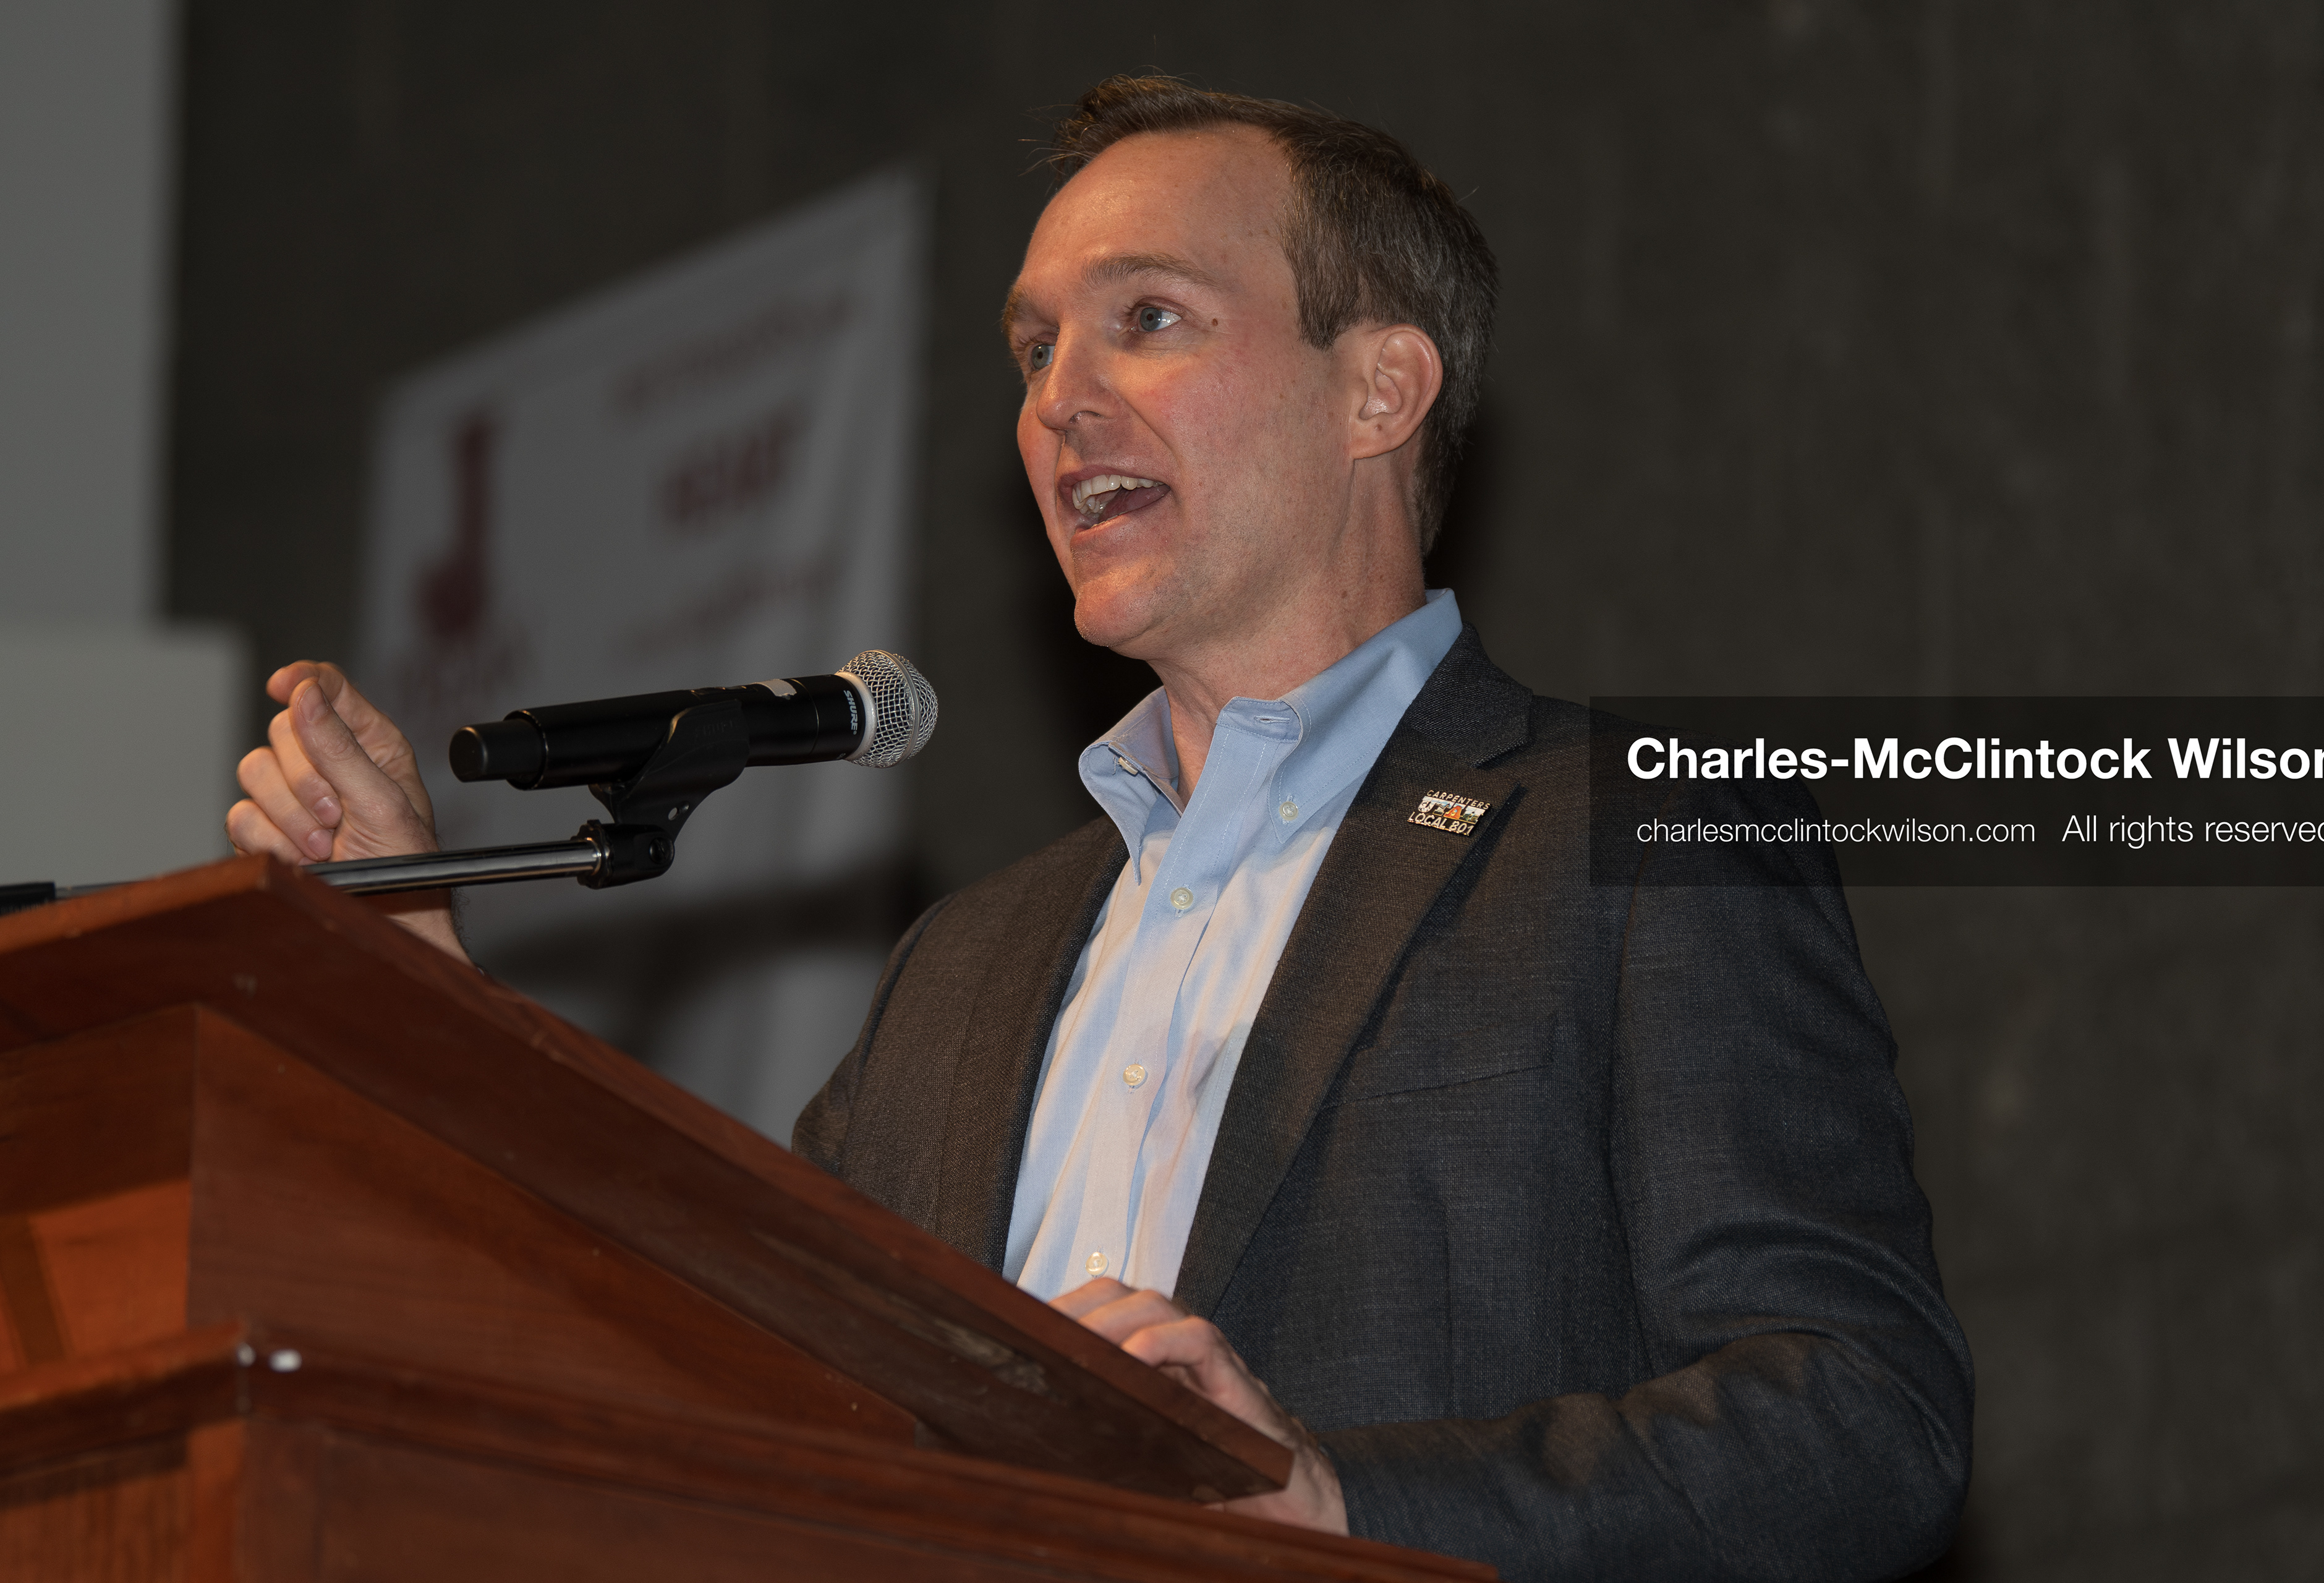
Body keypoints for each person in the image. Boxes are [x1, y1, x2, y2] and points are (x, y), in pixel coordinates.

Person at [229, 75, 1972, 1582]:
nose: (1058, 397)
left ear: (1379, 391)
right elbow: (721, 1363)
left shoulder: (1616, 837)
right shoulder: (968, 971)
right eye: (1035, 342)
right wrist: (419, 988)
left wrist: (1337, 1498)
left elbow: (1858, 1419)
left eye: (1149, 317)